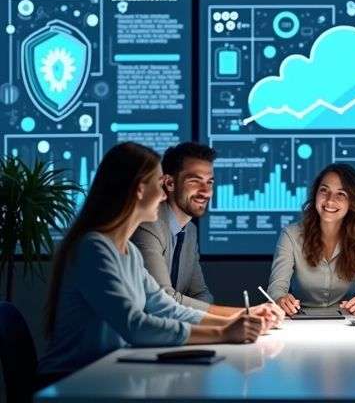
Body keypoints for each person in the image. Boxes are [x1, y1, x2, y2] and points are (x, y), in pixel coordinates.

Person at [40, 142, 264, 377]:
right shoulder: (93, 249)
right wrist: (223, 333)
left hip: (107, 376)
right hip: (71, 383)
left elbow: (168, 308)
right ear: (139, 189)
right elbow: (134, 325)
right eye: (159, 184)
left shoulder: (128, 252)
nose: (163, 194)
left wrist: (236, 322)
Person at [131, 142, 283, 323]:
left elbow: (200, 293)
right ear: (170, 183)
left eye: (209, 182)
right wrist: (240, 315)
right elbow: (164, 299)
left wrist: (209, 322)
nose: (206, 192)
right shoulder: (148, 225)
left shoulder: (190, 231)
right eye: (195, 181)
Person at [267, 163, 355, 315]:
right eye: (324, 191)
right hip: (298, 320)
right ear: (315, 195)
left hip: (346, 321)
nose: (330, 200)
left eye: (341, 194)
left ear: (352, 201)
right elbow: (276, 289)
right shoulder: (290, 235)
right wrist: (280, 300)